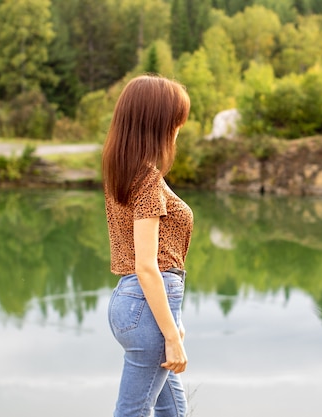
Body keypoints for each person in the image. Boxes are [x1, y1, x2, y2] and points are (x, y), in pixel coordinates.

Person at [102, 74, 192, 417]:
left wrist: (172, 320)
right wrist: (170, 333)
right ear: (157, 124)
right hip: (146, 304)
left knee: (173, 411)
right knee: (133, 412)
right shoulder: (147, 180)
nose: (178, 130)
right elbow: (146, 264)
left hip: (139, 304)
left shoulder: (125, 173)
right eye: (175, 122)